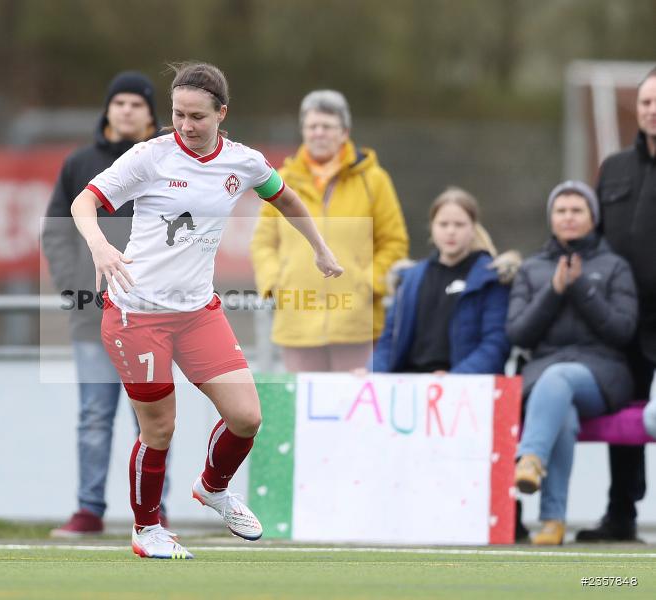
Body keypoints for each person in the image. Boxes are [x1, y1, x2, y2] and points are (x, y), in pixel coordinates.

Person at [70, 62, 343, 559]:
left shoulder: (243, 163)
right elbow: (83, 202)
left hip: (198, 312)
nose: (186, 125)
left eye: (197, 116)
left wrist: (320, 249)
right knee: (160, 429)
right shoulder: (149, 157)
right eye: (177, 114)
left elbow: (287, 201)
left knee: (246, 417)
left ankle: (213, 489)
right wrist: (99, 248)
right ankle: (146, 529)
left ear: (222, 113)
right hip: (137, 314)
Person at [43, 71, 168, 537]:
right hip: (92, 319)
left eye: (137, 103)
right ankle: (88, 510)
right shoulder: (79, 164)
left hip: (153, 317)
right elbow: (56, 229)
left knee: (153, 419)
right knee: (94, 416)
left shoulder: (164, 165)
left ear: (151, 114)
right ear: (108, 110)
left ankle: (154, 511)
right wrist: (73, 286)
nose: (128, 110)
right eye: (120, 103)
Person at [509, 181, 637, 545]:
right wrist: (554, 291)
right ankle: (553, 521)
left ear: (593, 218)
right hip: (545, 376)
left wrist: (581, 288)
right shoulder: (532, 268)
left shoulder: (614, 267)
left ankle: (531, 456)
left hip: (602, 374)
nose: (568, 218)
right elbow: (518, 334)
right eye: (561, 211)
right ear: (551, 218)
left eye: (577, 210)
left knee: (559, 377)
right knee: (559, 409)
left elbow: (622, 330)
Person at [251, 90, 408, 372]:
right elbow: (263, 242)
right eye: (312, 126)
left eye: (327, 127)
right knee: (304, 412)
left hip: (356, 324)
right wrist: (275, 284)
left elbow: (394, 242)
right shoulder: (281, 180)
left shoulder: (374, 181)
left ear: (344, 132)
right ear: (303, 131)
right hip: (297, 323)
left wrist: (368, 282)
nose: (319, 133)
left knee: (354, 410)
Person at [577, 66, 656, 542]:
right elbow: (596, 238)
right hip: (625, 322)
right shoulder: (614, 169)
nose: (651, 111)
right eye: (646, 102)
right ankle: (620, 514)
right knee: (624, 419)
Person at [371, 187, 510, 375]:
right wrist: (371, 372)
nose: (451, 231)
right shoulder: (410, 280)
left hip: (466, 392)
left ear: (473, 228)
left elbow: (495, 345)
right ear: (432, 227)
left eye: (459, 225)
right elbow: (389, 341)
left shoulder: (491, 278)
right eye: (443, 224)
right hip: (407, 386)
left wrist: (454, 378)